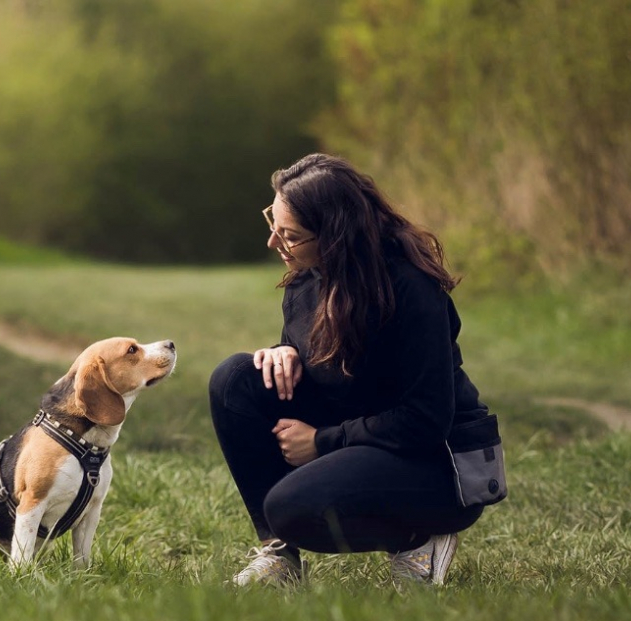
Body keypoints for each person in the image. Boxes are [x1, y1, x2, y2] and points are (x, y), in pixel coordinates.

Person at [208, 153, 494, 587]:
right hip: (369, 437)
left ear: (336, 237)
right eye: (273, 224)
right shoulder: (309, 276)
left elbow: (426, 419)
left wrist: (322, 442)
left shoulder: (410, 289)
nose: (274, 244)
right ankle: (279, 559)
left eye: (290, 235)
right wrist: (284, 354)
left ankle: (419, 539)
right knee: (236, 378)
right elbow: (333, 361)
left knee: (289, 509)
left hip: (440, 465)